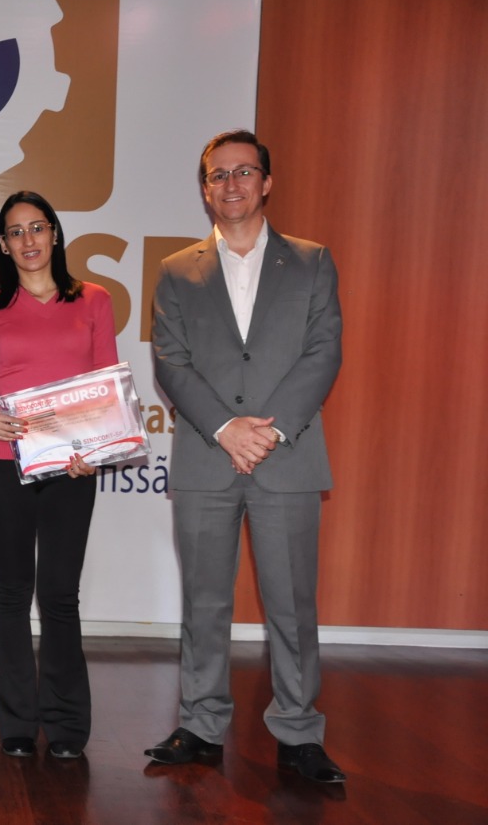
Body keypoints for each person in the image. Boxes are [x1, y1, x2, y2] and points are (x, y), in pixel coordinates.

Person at [147, 129, 345, 783]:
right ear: (205, 190)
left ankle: (299, 732)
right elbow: (171, 362)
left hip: (287, 457)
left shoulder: (312, 261)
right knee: (204, 603)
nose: (231, 184)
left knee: (292, 605)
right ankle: (201, 724)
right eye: (218, 175)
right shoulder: (177, 270)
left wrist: (266, 432)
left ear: (266, 182)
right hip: (207, 458)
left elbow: (324, 352)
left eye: (243, 171)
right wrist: (226, 429)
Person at [0, 191, 117, 759]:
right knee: (11, 594)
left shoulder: (94, 300)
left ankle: (67, 724)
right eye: (15, 232)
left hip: (71, 468)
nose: (28, 240)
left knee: (59, 595)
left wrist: (96, 449)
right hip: (0, 461)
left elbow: (106, 383)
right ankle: (15, 722)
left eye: (37, 227)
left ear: (54, 233)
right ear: (3, 246)